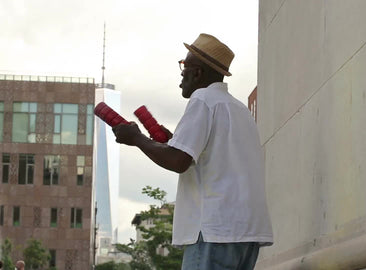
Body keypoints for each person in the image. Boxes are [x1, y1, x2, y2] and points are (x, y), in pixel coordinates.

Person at [112, 33, 273, 269]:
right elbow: (205, 156)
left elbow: (178, 160)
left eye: (184, 66)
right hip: (245, 233)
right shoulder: (238, 109)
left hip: (213, 232)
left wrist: (136, 139)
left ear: (197, 72)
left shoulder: (203, 99)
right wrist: (170, 142)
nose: (181, 74)